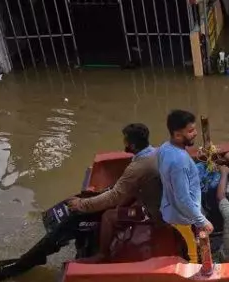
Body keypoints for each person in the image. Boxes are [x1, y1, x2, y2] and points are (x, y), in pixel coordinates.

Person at [67, 123, 162, 263]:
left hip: (153, 213)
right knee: (125, 201)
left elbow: (114, 196)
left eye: (125, 140)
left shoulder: (137, 167)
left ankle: (102, 255)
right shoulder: (156, 152)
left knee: (108, 216)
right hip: (160, 201)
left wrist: (81, 204)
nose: (124, 142)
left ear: (132, 145)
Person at [157, 110, 213, 263]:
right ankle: (195, 269)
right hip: (182, 217)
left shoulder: (164, 148)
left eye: (195, 129)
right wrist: (202, 221)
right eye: (190, 131)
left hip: (171, 208)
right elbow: (183, 199)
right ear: (177, 135)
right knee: (193, 253)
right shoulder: (179, 162)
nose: (195, 133)